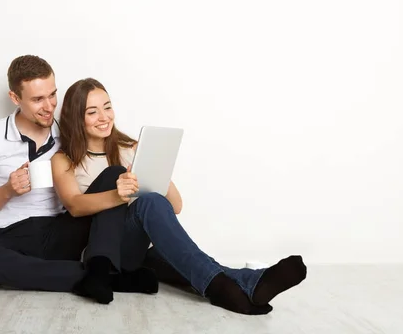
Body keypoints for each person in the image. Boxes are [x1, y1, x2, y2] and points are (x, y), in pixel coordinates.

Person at [51, 78, 308, 315]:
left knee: (190, 260)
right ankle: (222, 289)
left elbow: (175, 205)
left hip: (137, 248)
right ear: (77, 117)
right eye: (92, 112)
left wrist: (155, 167)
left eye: (107, 107)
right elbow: (73, 206)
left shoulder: (129, 149)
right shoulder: (65, 160)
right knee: (150, 205)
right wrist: (118, 194)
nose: (104, 117)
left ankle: (250, 282)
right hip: (99, 252)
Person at [0, 55, 159, 305]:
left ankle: (96, 271)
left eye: (52, 95)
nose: (48, 106)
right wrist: (7, 190)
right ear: (15, 98)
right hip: (8, 236)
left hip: (62, 232)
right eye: (37, 99)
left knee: (112, 174)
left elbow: (107, 145)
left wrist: (141, 156)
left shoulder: (68, 132)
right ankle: (108, 278)